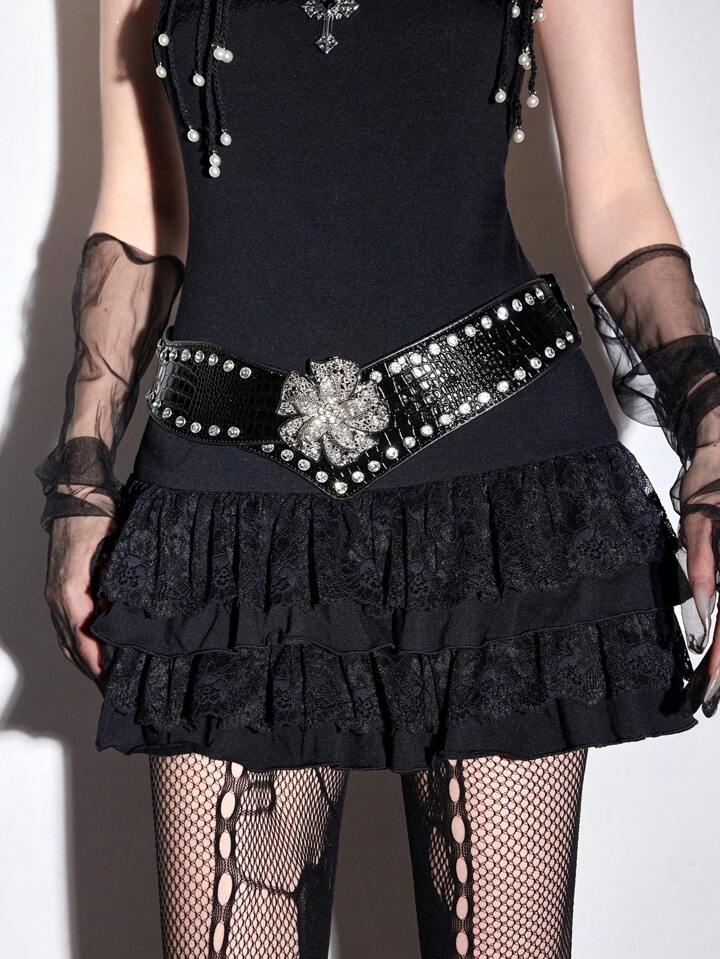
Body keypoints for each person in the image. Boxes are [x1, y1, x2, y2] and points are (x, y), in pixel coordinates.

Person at [37, 1, 719, 956]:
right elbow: (143, 209)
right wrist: (82, 478)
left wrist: (711, 437)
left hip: (498, 509)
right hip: (227, 515)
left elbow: (616, 192)